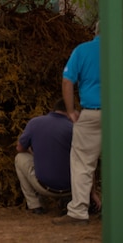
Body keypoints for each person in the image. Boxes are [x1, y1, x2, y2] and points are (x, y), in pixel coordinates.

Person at [53, 22, 101, 226]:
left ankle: (79, 211)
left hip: (91, 114)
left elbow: (67, 81)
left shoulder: (82, 51)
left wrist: (71, 111)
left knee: (82, 163)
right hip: (117, 114)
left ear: (95, 31)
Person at [15, 99, 73, 214]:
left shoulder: (35, 122)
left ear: (54, 109)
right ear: (69, 111)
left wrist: (35, 152)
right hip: (71, 188)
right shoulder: (74, 127)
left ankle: (35, 205)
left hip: (43, 186)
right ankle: (68, 201)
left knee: (19, 158)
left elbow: (20, 148)